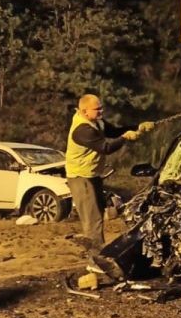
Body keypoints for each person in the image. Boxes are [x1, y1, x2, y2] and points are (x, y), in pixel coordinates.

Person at [66, 93, 155, 275]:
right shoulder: (82, 129)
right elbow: (106, 147)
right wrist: (126, 138)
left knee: (98, 214)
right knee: (93, 220)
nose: (101, 111)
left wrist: (138, 127)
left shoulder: (96, 121)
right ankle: (95, 262)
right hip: (80, 177)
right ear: (84, 111)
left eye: (101, 108)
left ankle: (98, 257)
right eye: (97, 109)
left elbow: (114, 131)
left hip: (92, 175)